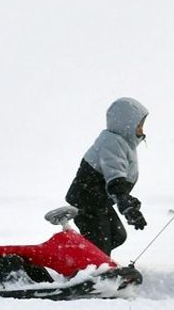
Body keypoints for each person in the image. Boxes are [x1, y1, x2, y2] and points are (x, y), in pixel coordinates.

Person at [62, 97, 150, 256]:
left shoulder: (123, 143)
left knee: (118, 236)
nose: (142, 129)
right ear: (126, 125)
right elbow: (115, 176)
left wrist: (126, 201)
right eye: (139, 125)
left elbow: (116, 179)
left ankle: (83, 260)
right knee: (100, 240)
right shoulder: (111, 142)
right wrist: (123, 200)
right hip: (87, 201)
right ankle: (94, 272)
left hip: (99, 201)